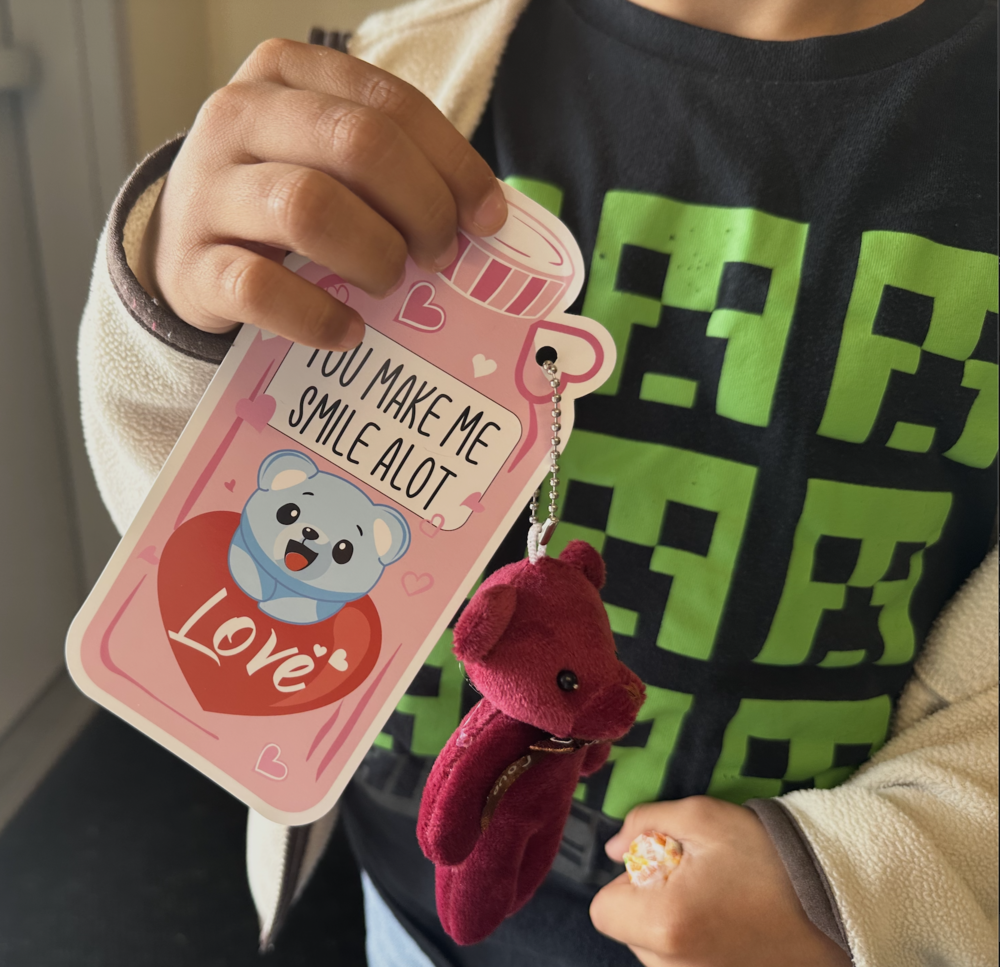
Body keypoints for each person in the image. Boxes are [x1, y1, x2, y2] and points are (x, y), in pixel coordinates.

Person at [78, 0, 998, 964]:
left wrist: (850, 881)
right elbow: (185, 536)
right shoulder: (411, 82)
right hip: (403, 902)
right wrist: (176, 330)